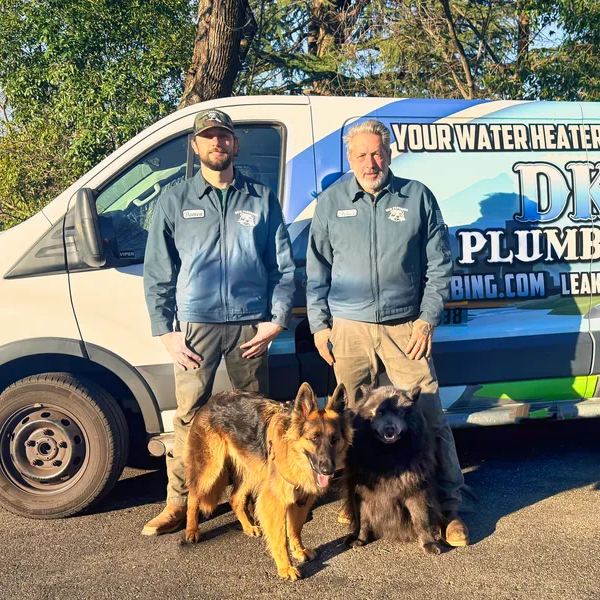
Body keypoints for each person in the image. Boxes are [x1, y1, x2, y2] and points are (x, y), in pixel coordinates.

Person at [306, 119, 469, 546]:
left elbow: (440, 263)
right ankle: (358, 505)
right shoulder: (331, 201)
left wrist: (427, 318)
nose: (370, 162)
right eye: (361, 155)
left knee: (430, 416)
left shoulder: (416, 197)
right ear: (350, 158)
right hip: (349, 329)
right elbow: (316, 270)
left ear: (390, 153)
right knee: (350, 424)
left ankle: (449, 509)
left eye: (377, 153)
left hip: (405, 327)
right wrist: (320, 325)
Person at [141, 109, 296, 535]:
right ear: (196, 146)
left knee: (255, 420)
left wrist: (275, 320)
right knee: (190, 418)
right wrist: (165, 330)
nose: (217, 144)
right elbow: (158, 271)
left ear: (235, 145)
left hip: (250, 327)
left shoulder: (261, 198)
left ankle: (261, 496)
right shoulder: (174, 201)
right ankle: (178, 503)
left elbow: (281, 267)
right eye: (208, 137)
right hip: (195, 328)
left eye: (224, 137)